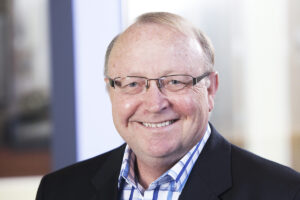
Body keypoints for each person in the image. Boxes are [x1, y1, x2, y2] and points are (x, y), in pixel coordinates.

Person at [36, 12, 300, 200]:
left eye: (175, 81)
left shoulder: (283, 192)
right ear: (110, 90)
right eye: (133, 83)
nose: (154, 104)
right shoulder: (59, 190)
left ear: (210, 89)